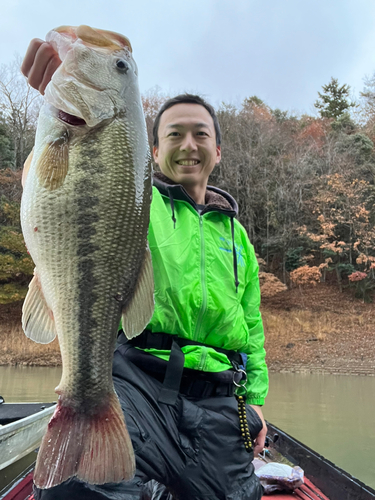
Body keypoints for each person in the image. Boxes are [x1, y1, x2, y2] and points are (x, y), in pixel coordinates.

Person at [22, 38, 269, 500]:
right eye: (173, 134)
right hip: (138, 382)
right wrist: (62, 74)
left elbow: (252, 326)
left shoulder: (238, 239)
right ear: (151, 152)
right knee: (77, 489)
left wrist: (254, 402)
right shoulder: (139, 202)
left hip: (219, 399)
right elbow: (84, 189)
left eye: (200, 134)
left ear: (219, 150)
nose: (188, 145)